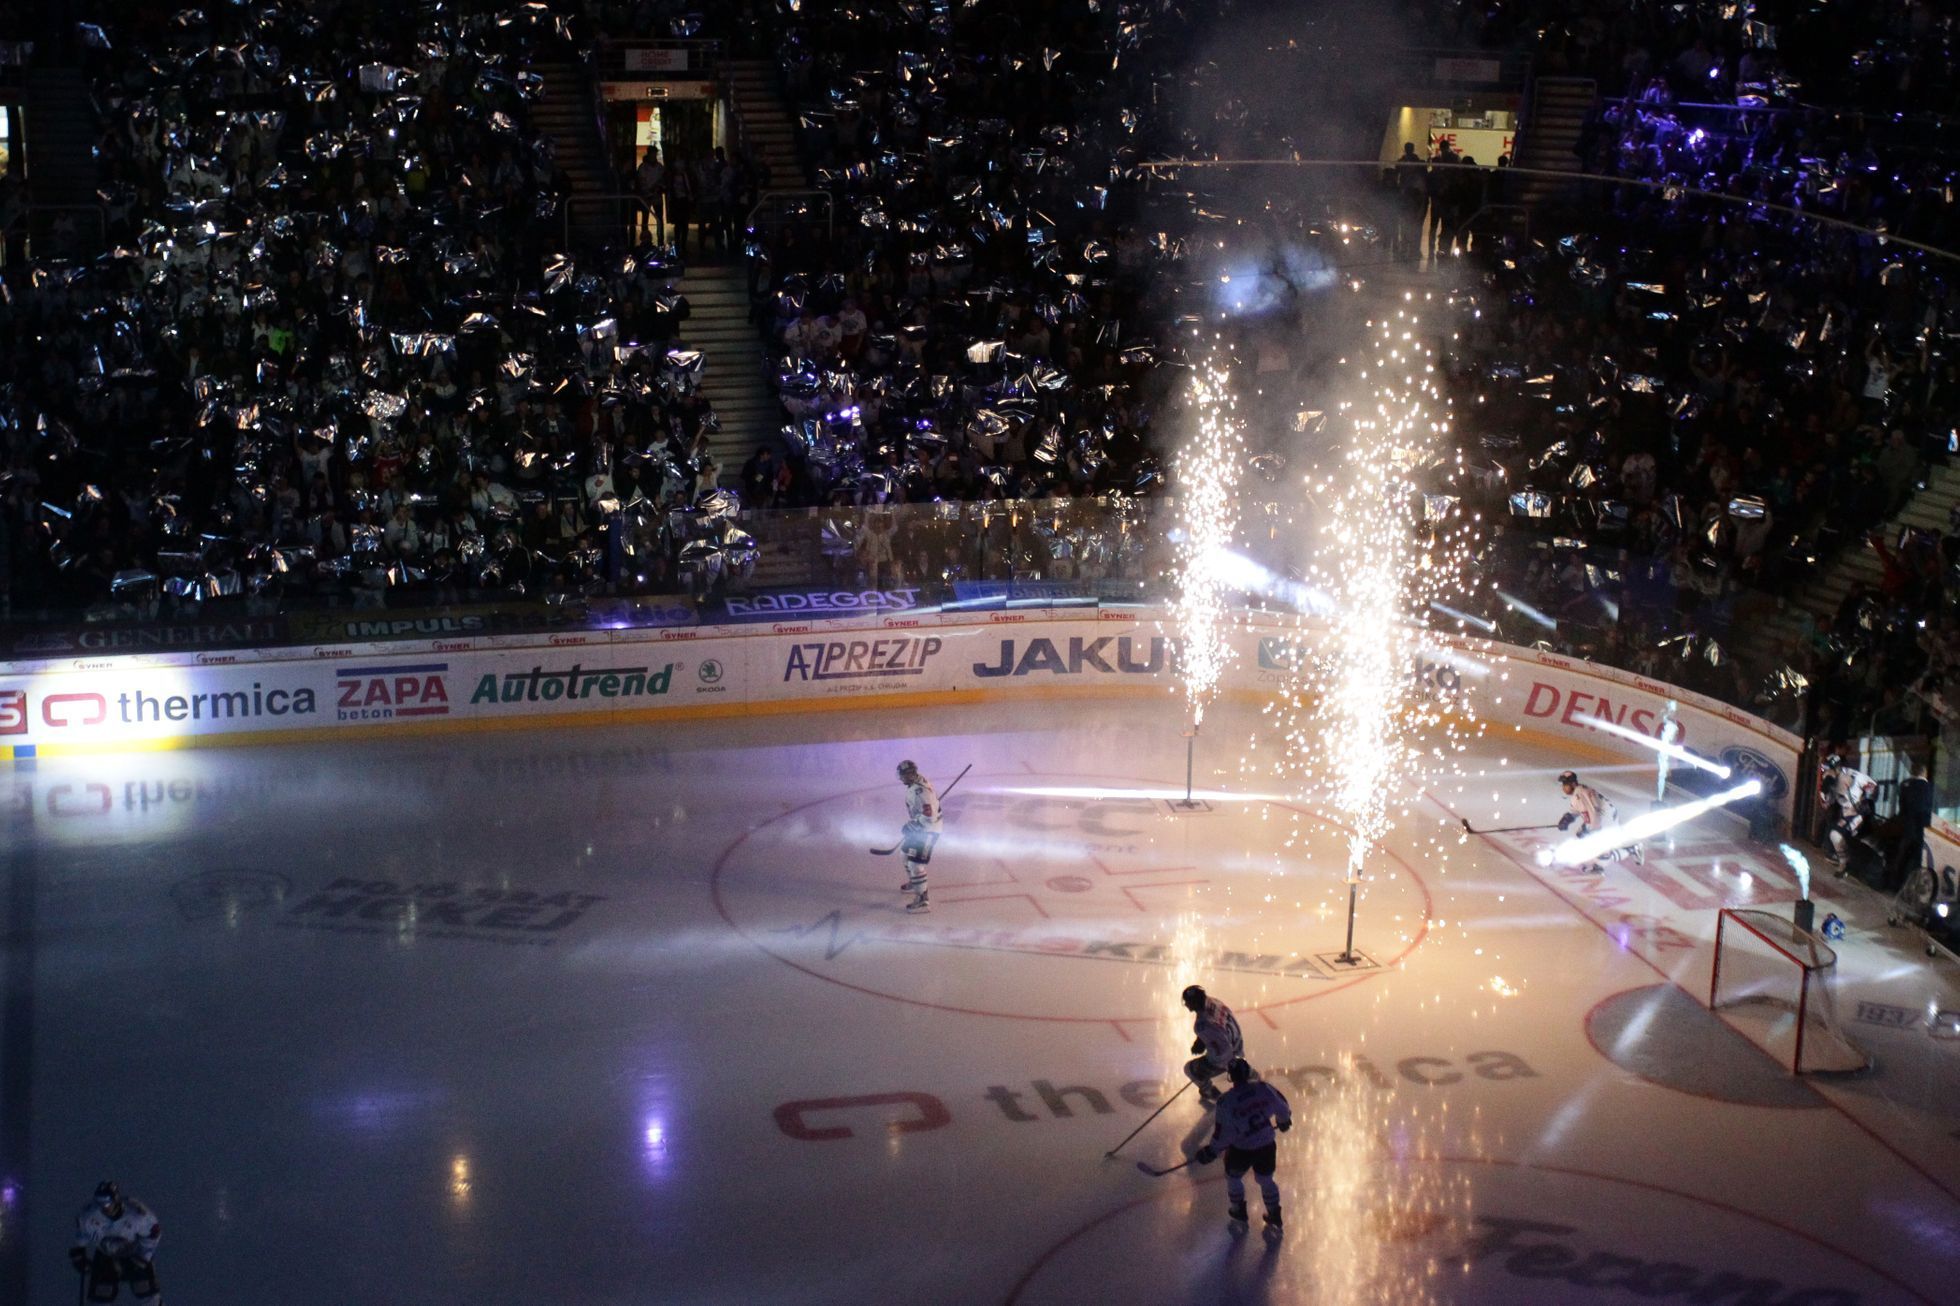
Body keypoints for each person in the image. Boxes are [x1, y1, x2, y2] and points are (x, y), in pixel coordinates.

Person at [1192, 1058, 1291, 1232]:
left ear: (1231, 1077)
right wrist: (1283, 1121)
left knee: (1233, 1177)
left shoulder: (1226, 1102)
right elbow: (1282, 1106)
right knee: (1266, 1179)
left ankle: (1238, 1210)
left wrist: (1212, 1151)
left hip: (1241, 1150)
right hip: (1266, 1144)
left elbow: (1222, 1133)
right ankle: (1274, 1213)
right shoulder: (1263, 1088)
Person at [70, 1181, 163, 1301]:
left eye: (107, 1202)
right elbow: (83, 1233)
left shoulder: (137, 1214)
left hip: (134, 1255)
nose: (104, 1207)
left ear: (116, 1200)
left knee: (146, 1292)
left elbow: (153, 1233)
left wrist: (144, 1257)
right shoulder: (89, 1216)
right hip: (105, 1254)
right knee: (101, 1294)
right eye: (100, 1202)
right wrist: (79, 1253)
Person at [1557, 770, 1643, 873]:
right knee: (1584, 837)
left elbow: (1594, 813)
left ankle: (1632, 849)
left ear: (1573, 783)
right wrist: (1567, 819)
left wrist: (1591, 829)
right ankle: (1596, 862)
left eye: (1565, 784)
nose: (1563, 787)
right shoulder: (1578, 793)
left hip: (1606, 820)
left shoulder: (1581, 793)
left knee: (1602, 854)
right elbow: (1576, 810)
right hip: (1603, 819)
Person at [1180, 984, 1244, 1105]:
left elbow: (1222, 1051)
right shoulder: (1214, 1001)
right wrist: (1202, 1040)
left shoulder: (1203, 1025)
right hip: (1237, 1042)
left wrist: (1209, 1064)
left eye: (1188, 1002)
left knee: (1189, 1069)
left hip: (1230, 1056)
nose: (1186, 1004)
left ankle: (1208, 1090)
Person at [896, 760, 942, 913]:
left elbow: (930, 816)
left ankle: (923, 900)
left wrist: (912, 825)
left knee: (915, 864)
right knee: (904, 854)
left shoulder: (920, 792)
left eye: (908, 774)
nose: (905, 777)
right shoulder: (916, 783)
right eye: (904, 774)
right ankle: (916, 882)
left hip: (928, 831)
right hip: (920, 828)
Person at [1891, 760, 1935, 892]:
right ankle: (1909, 889)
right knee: (1917, 860)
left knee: (1902, 855)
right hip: (1922, 829)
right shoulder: (1930, 788)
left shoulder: (1905, 785)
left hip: (1906, 827)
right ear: (1925, 773)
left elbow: (1902, 807)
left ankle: (1895, 884)